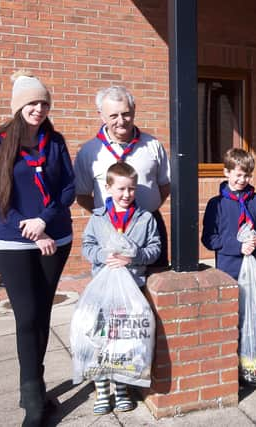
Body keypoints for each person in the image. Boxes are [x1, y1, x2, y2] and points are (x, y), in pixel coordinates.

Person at [0, 70, 75, 426]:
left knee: (44, 314)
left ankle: (32, 387)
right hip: (13, 240)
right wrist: (32, 228)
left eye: (44, 102)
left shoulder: (56, 141)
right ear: (19, 106)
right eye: (32, 103)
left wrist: (45, 222)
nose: (39, 109)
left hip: (56, 238)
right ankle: (34, 400)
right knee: (27, 316)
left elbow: (67, 187)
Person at [81, 162, 161, 414]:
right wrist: (102, 255)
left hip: (131, 287)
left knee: (126, 339)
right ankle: (102, 389)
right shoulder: (98, 218)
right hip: (104, 288)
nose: (127, 195)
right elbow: (87, 246)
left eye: (132, 189)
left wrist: (134, 255)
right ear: (108, 188)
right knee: (101, 337)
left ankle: (123, 387)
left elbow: (155, 249)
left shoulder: (145, 218)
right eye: (121, 189)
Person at [74, 85, 171, 266]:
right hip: (108, 228)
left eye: (126, 113)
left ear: (134, 110)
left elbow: (165, 185)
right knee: (112, 284)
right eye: (113, 116)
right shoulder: (89, 152)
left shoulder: (152, 145)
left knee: (155, 282)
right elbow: (82, 196)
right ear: (101, 116)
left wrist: (142, 215)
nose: (121, 121)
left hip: (149, 226)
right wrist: (108, 216)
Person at [201, 148, 256, 280]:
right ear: (227, 172)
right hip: (229, 271)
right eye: (239, 175)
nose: (243, 180)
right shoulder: (216, 204)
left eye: (247, 175)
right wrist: (238, 246)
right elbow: (210, 239)